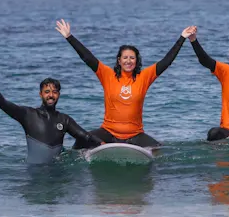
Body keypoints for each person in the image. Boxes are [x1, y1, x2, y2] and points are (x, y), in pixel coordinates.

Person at [55, 19, 189, 148]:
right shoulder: (107, 74)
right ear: (119, 60)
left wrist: (182, 37)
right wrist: (69, 37)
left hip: (135, 135)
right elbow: (87, 57)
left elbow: (166, 61)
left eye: (132, 58)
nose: (128, 61)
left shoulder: (144, 77)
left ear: (136, 61)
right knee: (81, 141)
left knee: (158, 149)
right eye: (125, 58)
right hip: (108, 133)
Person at [0, 66, 99, 162]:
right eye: (47, 92)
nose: (51, 95)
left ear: (58, 95)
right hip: (34, 174)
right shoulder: (28, 115)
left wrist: (103, 144)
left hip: (56, 174)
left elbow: (85, 136)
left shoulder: (64, 120)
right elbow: (2, 103)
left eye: (54, 92)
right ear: (40, 94)